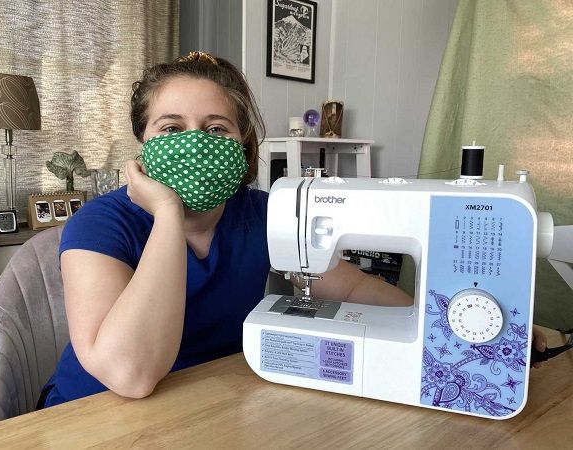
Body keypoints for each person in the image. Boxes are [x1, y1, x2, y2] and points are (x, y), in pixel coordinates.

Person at [38, 51, 545, 408]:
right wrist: (167, 214)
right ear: (142, 145)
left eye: (217, 128)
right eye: (171, 128)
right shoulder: (100, 224)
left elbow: (353, 286)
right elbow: (130, 375)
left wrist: (476, 334)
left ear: (242, 145)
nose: (196, 141)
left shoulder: (264, 214)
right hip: (91, 415)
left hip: (209, 405)